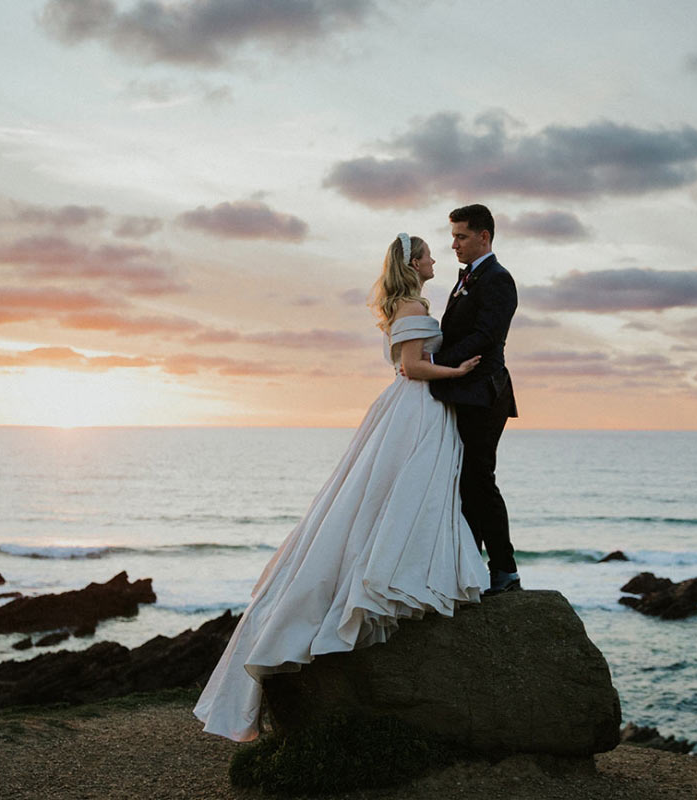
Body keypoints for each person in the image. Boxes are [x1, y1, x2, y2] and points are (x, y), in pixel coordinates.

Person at [193, 233, 488, 742]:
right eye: (428, 254)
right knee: (407, 492)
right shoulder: (414, 302)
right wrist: (456, 369)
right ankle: (393, 574)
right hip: (417, 407)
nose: (436, 258)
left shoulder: (402, 302)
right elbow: (414, 366)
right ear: (413, 263)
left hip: (407, 406)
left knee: (393, 495)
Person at [429, 204, 520, 596]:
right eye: (452, 237)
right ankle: (472, 569)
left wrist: (433, 362)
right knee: (468, 483)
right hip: (465, 390)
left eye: (461, 236)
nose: (453, 245)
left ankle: (505, 570)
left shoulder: (498, 279)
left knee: (480, 481)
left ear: (484, 236)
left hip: (485, 392)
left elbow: (485, 335)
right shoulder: (467, 278)